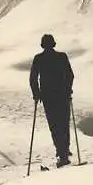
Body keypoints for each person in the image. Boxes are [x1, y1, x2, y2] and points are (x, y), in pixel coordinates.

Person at [30, 34, 74, 168]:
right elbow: (70, 75)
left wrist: (36, 94)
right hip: (62, 95)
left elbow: (33, 78)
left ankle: (61, 152)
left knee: (54, 125)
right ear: (54, 44)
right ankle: (64, 151)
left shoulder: (39, 59)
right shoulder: (62, 57)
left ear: (42, 45)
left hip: (48, 97)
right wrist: (68, 89)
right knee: (64, 123)